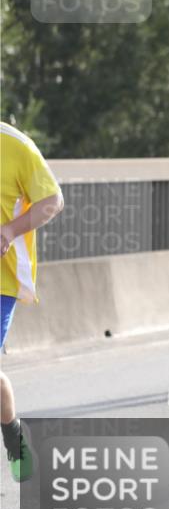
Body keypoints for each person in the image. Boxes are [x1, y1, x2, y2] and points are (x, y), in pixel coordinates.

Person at [1, 121, 65, 482]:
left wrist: (10, 231)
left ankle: (12, 432)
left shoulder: (15, 144)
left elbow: (52, 200)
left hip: (1, 277)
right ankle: (12, 429)